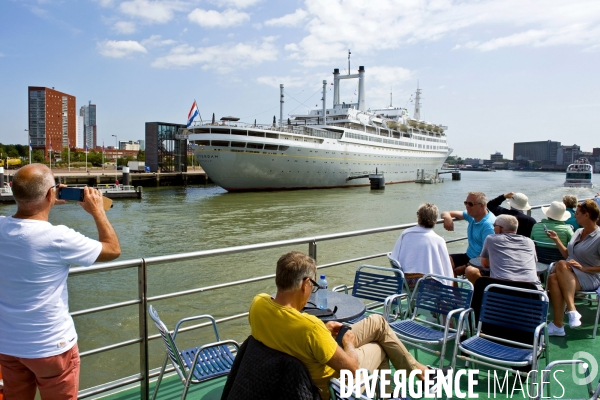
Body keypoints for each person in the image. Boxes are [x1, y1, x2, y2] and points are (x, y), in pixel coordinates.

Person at [249, 251, 443, 399]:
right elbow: (352, 367)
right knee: (379, 348)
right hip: (330, 387)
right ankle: (397, 390)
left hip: (300, 365)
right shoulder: (310, 328)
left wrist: (323, 332)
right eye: (313, 286)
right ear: (305, 284)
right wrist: (348, 343)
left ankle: (419, 373)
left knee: (378, 322)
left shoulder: (258, 304)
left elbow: (295, 335)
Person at [0, 164, 121, 399]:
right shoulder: (58, 237)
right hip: (50, 347)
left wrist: (48, 200)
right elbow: (113, 249)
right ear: (50, 193)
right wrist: (98, 212)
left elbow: (27, 221)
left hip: (8, 345)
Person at [546, 199, 600, 337]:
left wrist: (584, 268)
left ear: (586, 215)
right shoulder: (578, 231)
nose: (574, 216)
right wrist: (557, 240)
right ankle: (559, 326)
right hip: (570, 273)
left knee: (561, 264)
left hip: (590, 276)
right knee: (553, 278)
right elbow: (568, 255)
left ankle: (571, 310)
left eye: (577, 213)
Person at [465, 215, 541, 289]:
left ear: (498, 228)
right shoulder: (529, 242)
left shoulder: (491, 239)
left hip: (502, 291)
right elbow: (533, 263)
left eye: (494, 225)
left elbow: (485, 264)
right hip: (534, 292)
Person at [390, 203, 454, 285]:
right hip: (427, 285)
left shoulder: (406, 234)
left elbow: (394, 258)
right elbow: (447, 268)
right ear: (435, 219)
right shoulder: (439, 240)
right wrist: (449, 287)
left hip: (406, 282)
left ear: (419, 216)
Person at [441, 191, 496, 276]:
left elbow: (487, 256)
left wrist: (464, 267)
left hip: (482, 261)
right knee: (445, 260)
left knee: (469, 271)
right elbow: (445, 213)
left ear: (481, 205)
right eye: (465, 203)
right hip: (469, 256)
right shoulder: (473, 215)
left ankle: (475, 288)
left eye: (470, 204)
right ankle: (454, 289)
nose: (467, 206)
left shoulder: (488, 226)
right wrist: (447, 217)